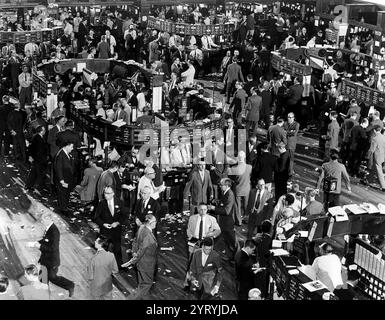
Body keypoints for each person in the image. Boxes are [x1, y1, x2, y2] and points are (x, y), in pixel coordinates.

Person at [28, 212, 75, 297]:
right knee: (43, 278)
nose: (41, 221)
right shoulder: (48, 228)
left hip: (52, 261)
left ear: (49, 219)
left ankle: (70, 285)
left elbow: (53, 248)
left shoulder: (54, 231)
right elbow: (45, 240)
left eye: (43, 220)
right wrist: (35, 243)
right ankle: (44, 295)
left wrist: (40, 246)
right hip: (45, 259)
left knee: (52, 278)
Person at [184, 203, 221, 289]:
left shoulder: (212, 219)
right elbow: (188, 229)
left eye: (205, 209)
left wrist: (211, 234)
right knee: (191, 264)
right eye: (201, 209)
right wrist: (190, 237)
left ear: (207, 210)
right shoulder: (192, 218)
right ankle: (187, 283)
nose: (203, 211)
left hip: (206, 244)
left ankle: (203, 285)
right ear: (197, 209)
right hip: (195, 243)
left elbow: (218, 230)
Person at [94, 186, 127, 268]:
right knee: (104, 249)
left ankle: (119, 266)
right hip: (105, 231)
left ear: (113, 194)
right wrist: (103, 224)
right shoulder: (101, 203)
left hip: (116, 230)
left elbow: (124, 215)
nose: (105, 195)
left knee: (117, 249)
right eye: (105, 193)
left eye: (108, 193)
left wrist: (118, 222)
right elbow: (96, 217)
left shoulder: (119, 202)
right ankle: (103, 266)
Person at [128, 214, 158, 300]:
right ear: (150, 223)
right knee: (147, 284)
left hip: (140, 264)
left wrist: (134, 253)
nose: (156, 223)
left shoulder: (141, 228)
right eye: (155, 221)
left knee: (142, 284)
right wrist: (132, 261)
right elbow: (142, 250)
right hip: (146, 264)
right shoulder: (148, 236)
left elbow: (135, 242)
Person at [209, 178, 237, 261]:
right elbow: (223, 204)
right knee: (226, 240)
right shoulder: (225, 193)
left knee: (231, 241)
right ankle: (230, 256)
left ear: (227, 185)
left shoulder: (230, 194)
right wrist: (217, 202)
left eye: (221, 185)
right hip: (223, 222)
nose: (220, 186)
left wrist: (214, 208)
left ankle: (234, 258)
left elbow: (227, 211)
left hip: (227, 223)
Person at [86, 235, 119, 300]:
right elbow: (115, 270)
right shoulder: (111, 255)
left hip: (96, 286)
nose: (94, 241)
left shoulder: (93, 259)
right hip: (107, 285)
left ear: (100, 245)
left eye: (96, 241)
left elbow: (90, 276)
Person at [228, 151, 252, 226]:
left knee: (237, 206)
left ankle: (238, 221)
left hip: (237, 189)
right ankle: (247, 219)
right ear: (244, 157)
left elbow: (231, 178)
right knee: (246, 205)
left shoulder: (234, 168)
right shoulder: (249, 167)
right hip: (246, 189)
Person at [54, 141, 75, 215]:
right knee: (62, 195)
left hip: (67, 179)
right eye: (71, 147)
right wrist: (62, 181)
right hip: (63, 180)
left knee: (66, 194)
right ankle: (63, 210)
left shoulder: (66, 154)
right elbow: (58, 169)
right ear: (67, 146)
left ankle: (65, 206)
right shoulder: (60, 155)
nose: (72, 149)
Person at [25, 125, 48, 191]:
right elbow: (32, 148)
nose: (45, 131)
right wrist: (30, 156)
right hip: (37, 159)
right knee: (37, 172)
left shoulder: (38, 137)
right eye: (44, 130)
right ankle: (38, 186)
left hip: (37, 158)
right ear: (41, 131)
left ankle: (29, 186)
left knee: (34, 172)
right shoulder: (37, 138)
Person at [367, 125, 385, 191]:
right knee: (374, 168)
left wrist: (368, 156)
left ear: (374, 130)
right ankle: (369, 179)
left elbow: (372, 149)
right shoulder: (383, 137)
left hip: (377, 155)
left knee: (378, 169)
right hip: (382, 155)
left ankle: (383, 185)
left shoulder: (375, 138)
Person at [284, 112, 300, 177]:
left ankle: (290, 172)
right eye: (288, 117)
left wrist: (287, 132)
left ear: (293, 118)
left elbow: (294, 134)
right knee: (284, 158)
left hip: (291, 144)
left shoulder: (296, 124)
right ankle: (285, 170)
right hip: (285, 144)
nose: (289, 119)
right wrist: (289, 132)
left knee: (291, 158)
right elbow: (283, 132)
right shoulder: (285, 123)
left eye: (291, 117)